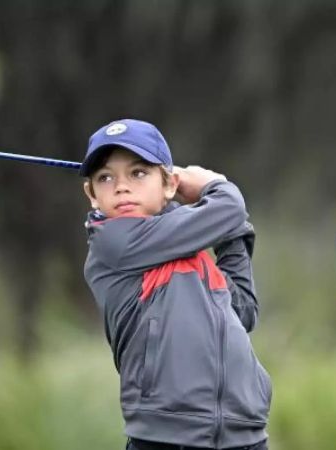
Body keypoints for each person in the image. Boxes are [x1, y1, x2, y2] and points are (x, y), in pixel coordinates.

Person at [80, 119, 271, 450]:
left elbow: (244, 311)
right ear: (92, 195)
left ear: (169, 184)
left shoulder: (192, 255)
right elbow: (229, 206)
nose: (121, 187)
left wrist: (233, 232)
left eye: (138, 173)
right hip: (166, 438)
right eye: (105, 177)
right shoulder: (112, 244)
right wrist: (215, 184)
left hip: (244, 434)